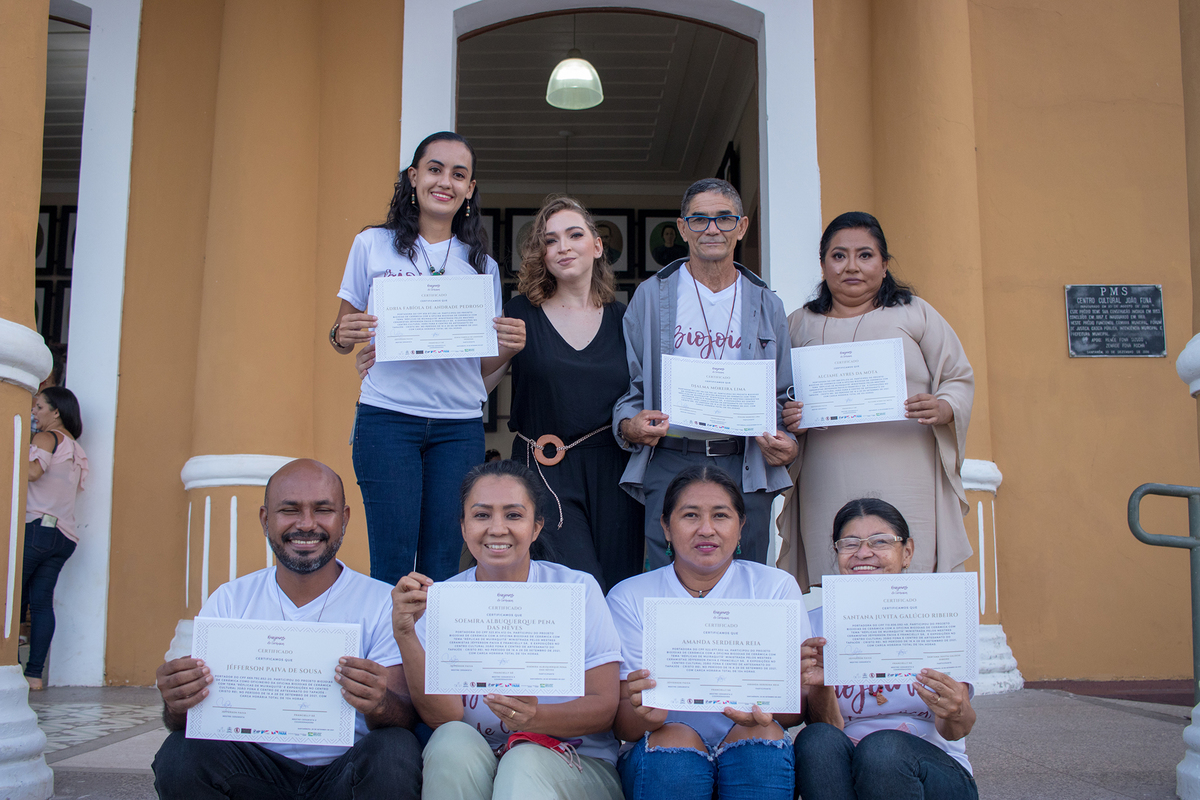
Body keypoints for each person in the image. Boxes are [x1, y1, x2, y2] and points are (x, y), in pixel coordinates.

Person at [152, 459, 422, 800]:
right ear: (266, 519)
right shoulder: (231, 600)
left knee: (395, 750)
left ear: (345, 519)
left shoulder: (381, 601)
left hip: (344, 773)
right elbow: (188, 722)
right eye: (290, 510)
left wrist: (380, 703)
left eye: (323, 509)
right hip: (251, 772)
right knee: (180, 752)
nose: (307, 524)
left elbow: (404, 718)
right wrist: (177, 702)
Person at [330, 131, 525, 585]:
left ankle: (431, 659)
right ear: (414, 177)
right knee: (391, 564)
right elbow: (342, 335)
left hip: (457, 427)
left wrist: (508, 350)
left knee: (444, 565)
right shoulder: (371, 245)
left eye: (459, 175)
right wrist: (343, 334)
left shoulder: (483, 267)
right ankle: (389, 658)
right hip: (386, 419)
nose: (446, 182)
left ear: (470, 189)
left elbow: (478, 369)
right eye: (435, 169)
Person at [391, 459, 624, 800]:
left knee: (523, 761)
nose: (497, 528)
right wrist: (406, 634)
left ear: (536, 527)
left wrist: (536, 717)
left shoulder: (577, 590)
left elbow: (605, 707)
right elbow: (446, 717)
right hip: (481, 759)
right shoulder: (442, 600)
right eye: (482, 515)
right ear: (463, 526)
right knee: (450, 741)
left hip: (574, 762)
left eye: (513, 515)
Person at [778, 211, 974, 587]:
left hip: (906, 468)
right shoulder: (799, 324)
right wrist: (788, 417)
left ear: (884, 265)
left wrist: (944, 406)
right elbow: (778, 394)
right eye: (838, 256)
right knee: (834, 572)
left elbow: (958, 378)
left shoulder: (916, 314)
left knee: (908, 571)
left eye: (865, 255)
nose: (851, 266)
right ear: (823, 265)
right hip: (826, 472)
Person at [613, 178, 797, 569]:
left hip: (743, 461)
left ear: (742, 227)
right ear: (682, 228)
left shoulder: (767, 304)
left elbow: (782, 396)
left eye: (723, 219)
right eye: (699, 220)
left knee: (746, 579)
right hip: (670, 458)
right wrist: (629, 426)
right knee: (667, 578)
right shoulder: (651, 296)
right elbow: (629, 385)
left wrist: (789, 442)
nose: (712, 229)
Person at [607, 465, 809, 800]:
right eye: (690, 516)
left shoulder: (775, 589)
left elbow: (792, 713)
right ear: (666, 527)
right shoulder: (629, 597)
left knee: (759, 738)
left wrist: (768, 709)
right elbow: (624, 727)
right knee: (676, 742)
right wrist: (648, 716)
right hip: (663, 752)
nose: (706, 529)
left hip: (749, 740)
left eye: (721, 516)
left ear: (741, 526)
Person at [501, 194, 643, 591]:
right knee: (577, 590)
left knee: (619, 587)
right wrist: (500, 352)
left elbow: (647, 390)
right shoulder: (518, 312)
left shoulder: (625, 319)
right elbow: (477, 385)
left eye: (574, 234)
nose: (562, 246)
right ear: (541, 255)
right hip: (544, 469)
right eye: (550, 240)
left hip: (616, 470)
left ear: (597, 246)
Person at [794, 498, 979, 800]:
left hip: (933, 774)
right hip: (848, 773)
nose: (863, 553)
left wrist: (956, 709)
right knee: (815, 739)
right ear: (837, 553)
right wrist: (822, 685)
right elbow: (829, 728)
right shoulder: (815, 626)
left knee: (882, 749)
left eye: (881, 542)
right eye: (850, 543)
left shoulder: (941, 614)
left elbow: (956, 730)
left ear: (907, 552)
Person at [21, 387, 87, 690]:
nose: (35, 413)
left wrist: (14, 449)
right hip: (64, 536)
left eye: (38, 407)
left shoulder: (46, 438)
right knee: (42, 604)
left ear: (55, 412)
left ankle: (8, 668)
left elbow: (33, 473)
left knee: (12, 598)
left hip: (37, 528)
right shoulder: (76, 448)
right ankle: (34, 675)